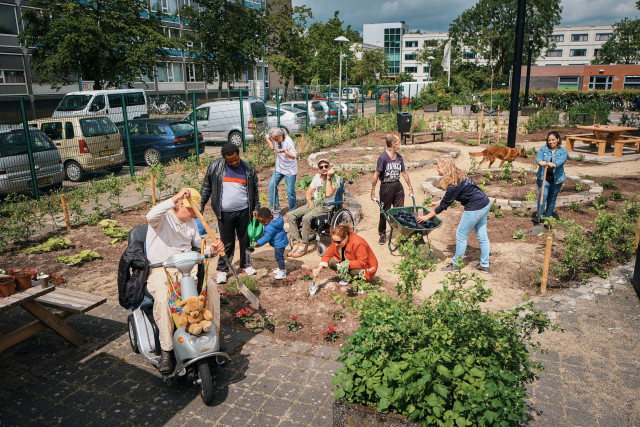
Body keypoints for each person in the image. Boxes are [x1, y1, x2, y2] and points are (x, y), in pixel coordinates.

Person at [145, 187, 224, 373]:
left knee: (211, 289)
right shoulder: (161, 219)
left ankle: (215, 335)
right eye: (192, 210)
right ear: (180, 204)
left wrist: (210, 251)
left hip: (188, 267)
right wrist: (176, 196)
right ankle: (166, 351)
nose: (194, 215)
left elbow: (199, 249)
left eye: (197, 211)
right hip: (163, 269)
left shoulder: (191, 223)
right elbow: (149, 216)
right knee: (164, 297)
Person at [417, 157, 491, 273]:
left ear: (446, 168)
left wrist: (426, 217)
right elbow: (451, 196)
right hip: (485, 203)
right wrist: (439, 202)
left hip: (475, 207)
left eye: (438, 167)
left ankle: (456, 264)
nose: (437, 169)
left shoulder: (453, 185)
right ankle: (485, 264)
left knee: (461, 234)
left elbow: (444, 205)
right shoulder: (459, 174)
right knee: (482, 235)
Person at [201, 143, 260, 284]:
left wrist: (256, 207)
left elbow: (255, 191)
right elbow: (206, 187)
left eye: (236, 160)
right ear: (224, 159)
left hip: (244, 211)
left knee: (245, 239)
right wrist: (201, 204)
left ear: (238, 155)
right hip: (224, 213)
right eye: (230, 161)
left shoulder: (248, 169)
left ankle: (246, 265)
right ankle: (222, 270)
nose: (234, 163)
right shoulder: (215, 167)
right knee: (226, 242)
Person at [287, 158, 342, 258]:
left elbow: (328, 193)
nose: (324, 168)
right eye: (321, 167)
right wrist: (310, 201)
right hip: (315, 203)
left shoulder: (335, 179)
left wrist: (329, 177)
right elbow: (308, 192)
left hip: (326, 206)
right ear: (318, 169)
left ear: (330, 167)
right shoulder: (317, 177)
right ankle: (296, 243)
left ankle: (304, 245)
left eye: (326, 166)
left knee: (307, 217)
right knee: (291, 215)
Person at [370, 134, 415, 245]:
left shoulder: (399, 157)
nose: (400, 143)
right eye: (398, 141)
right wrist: (372, 192)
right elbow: (376, 175)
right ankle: (382, 233)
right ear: (393, 144)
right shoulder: (383, 158)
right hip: (386, 187)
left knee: (399, 211)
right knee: (384, 211)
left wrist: (410, 187)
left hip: (398, 186)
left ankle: (400, 234)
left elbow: (404, 173)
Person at [312, 223, 378, 286]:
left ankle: (361, 282)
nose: (335, 244)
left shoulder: (358, 243)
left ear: (346, 237)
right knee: (331, 262)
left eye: (338, 242)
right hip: (349, 261)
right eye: (333, 241)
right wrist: (318, 269)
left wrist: (346, 264)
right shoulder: (337, 239)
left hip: (366, 267)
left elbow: (362, 262)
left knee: (354, 272)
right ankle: (346, 276)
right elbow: (328, 253)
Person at [535, 130, 568, 221]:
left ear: (558, 139)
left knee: (552, 199)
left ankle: (548, 218)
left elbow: (562, 160)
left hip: (557, 179)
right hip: (543, 177)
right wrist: (540, 161)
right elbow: (539, 157)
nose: (551, 142)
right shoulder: (544, 149)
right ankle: (539, 216)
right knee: (543, 195)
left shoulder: (563, 151)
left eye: (553, 140)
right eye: (549, 140)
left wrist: (554, 164)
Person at [266, 127, 298, 212]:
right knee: (272, 185)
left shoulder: (288, 141)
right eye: (273, 139)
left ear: (281, 135)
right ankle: (275, 207)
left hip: (290, 170)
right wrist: (270, 143)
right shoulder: (274, 136)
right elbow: (266, 136)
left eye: (276, 139)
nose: (275, 141)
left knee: (290, 191)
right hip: (279, 168)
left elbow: (293, 156)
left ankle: (293, 210)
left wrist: (284, 151)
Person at [253, 207, 289, 280]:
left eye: (264, 222)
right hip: (281, 240)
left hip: (279, 243)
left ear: (270, 218)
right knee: (279, 256)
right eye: (261, 222)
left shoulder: (270, 227)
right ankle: (280, 268)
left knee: (278, 257)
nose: (263, 224)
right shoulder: (276, 218)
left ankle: (282, 272)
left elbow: (266, 238)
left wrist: (258, 243)